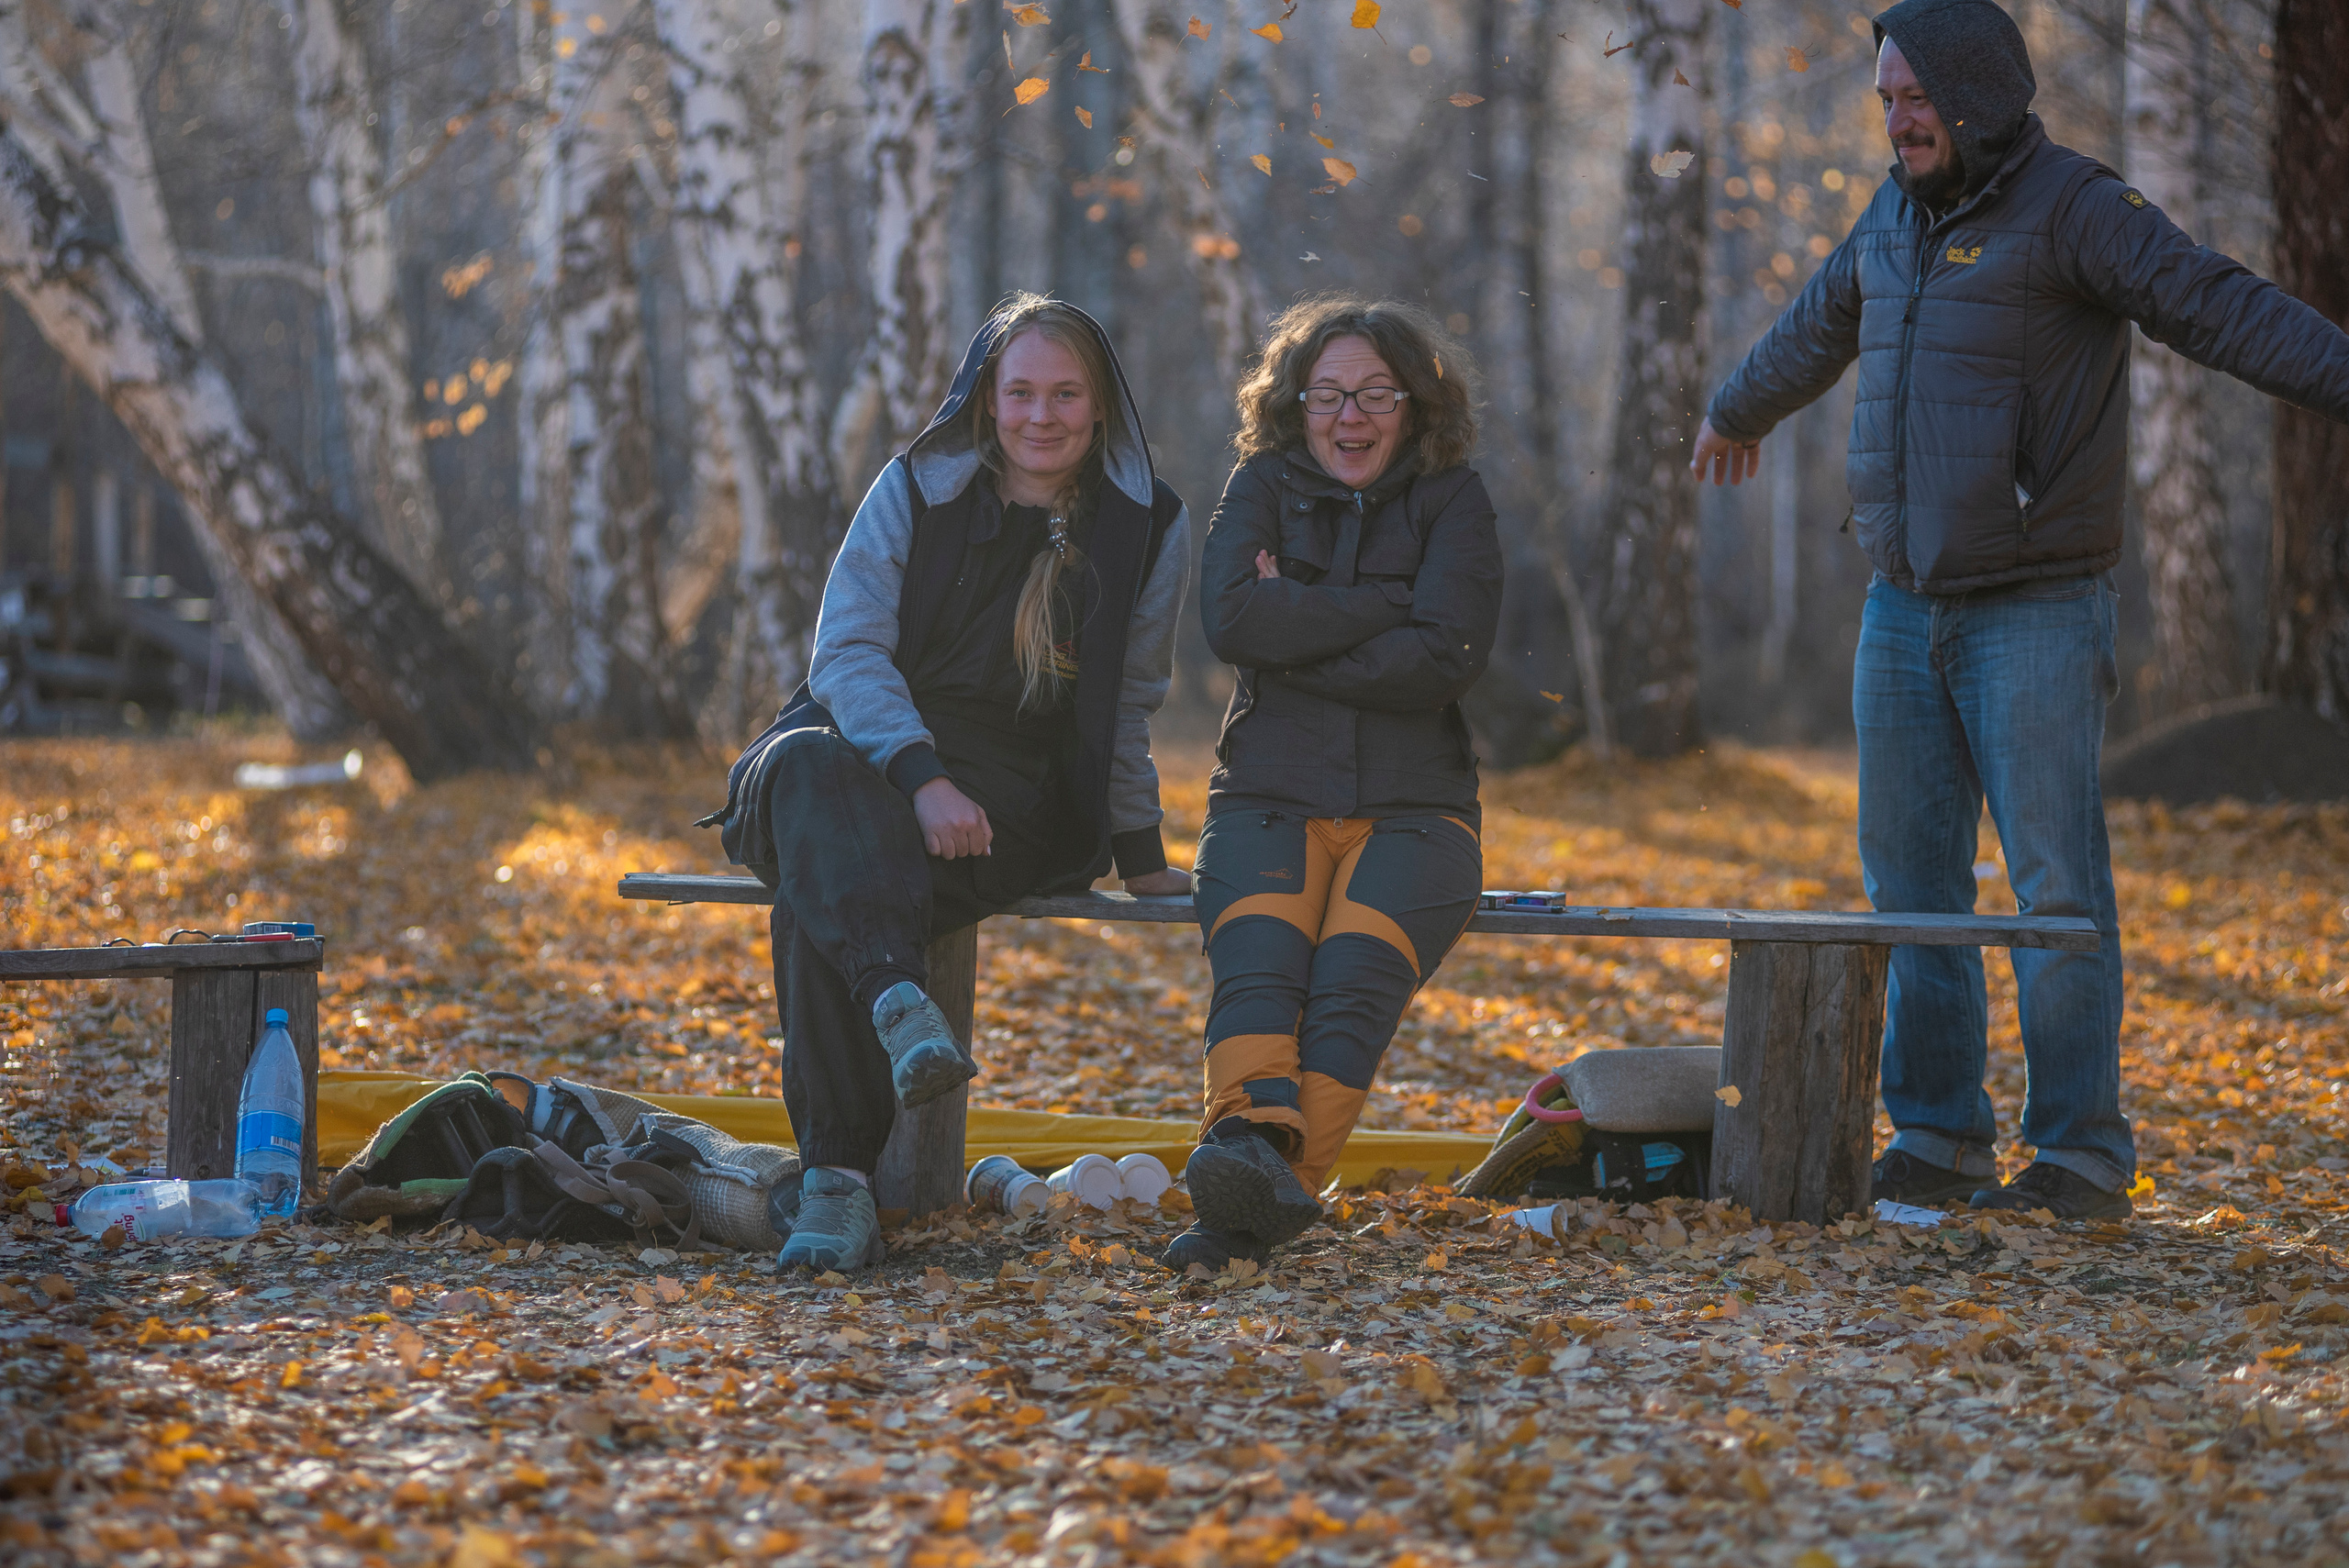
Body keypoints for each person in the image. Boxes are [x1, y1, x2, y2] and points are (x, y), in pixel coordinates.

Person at [1689, 0, 2349, 1218]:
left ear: (1978, 93)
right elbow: (1818, 321)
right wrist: (1736, 408)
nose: (1899, 122)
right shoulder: (1892, 213)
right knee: (1912, 890)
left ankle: (2081, 1154)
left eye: (1917, 100)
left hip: (2036, 607)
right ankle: (1939, 1136)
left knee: (2055, 892)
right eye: (1886, 101)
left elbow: (2215, 302)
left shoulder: (2076, 207)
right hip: (1901, 607)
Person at [706, 295, 1193, 1270]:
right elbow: (846, 654)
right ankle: (897, 1000)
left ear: (1101, 405)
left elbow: (1129, 702)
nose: (1041, 415)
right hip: (851, 760)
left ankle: (837, 1188)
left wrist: (1141, 854)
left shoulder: (1148, 525)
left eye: (1066, 394)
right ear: (986, 397)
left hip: (1008, 809)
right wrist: (921, 776)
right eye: (1021, 392)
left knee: (822, 891)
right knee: (804, 770)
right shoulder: (914, 489)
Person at [1164, 296, 1503, 1271]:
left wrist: (1299, 618)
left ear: (1416, 404)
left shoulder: (1455, 499)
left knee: (1350, 993)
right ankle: (1252, 1177)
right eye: (1326, 394)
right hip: (1265, 796)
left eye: (1375, 393)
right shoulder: (1259, 484)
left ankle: (1242, 1204)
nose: (1349, 415)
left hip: (1418, 816)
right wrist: (1389, 603)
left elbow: (1444, 658)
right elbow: (1232, 623)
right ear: (1294, 402)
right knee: (1261, 975)